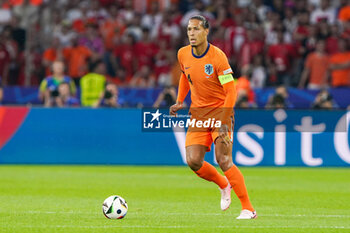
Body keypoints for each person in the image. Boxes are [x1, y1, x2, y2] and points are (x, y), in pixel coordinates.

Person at [170, 15, 256, 219]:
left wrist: (225, 120)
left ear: (206, 31)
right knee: (193, 161)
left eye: (196, 29)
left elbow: (231, 91)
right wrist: (180, 100)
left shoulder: (218, 57)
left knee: (223, 159)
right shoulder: (182, 54)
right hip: (199, 114)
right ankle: (223, 184)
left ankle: (248, 209)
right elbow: (184, 75)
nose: (192, 33)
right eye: (189, 29)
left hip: (220, 111)